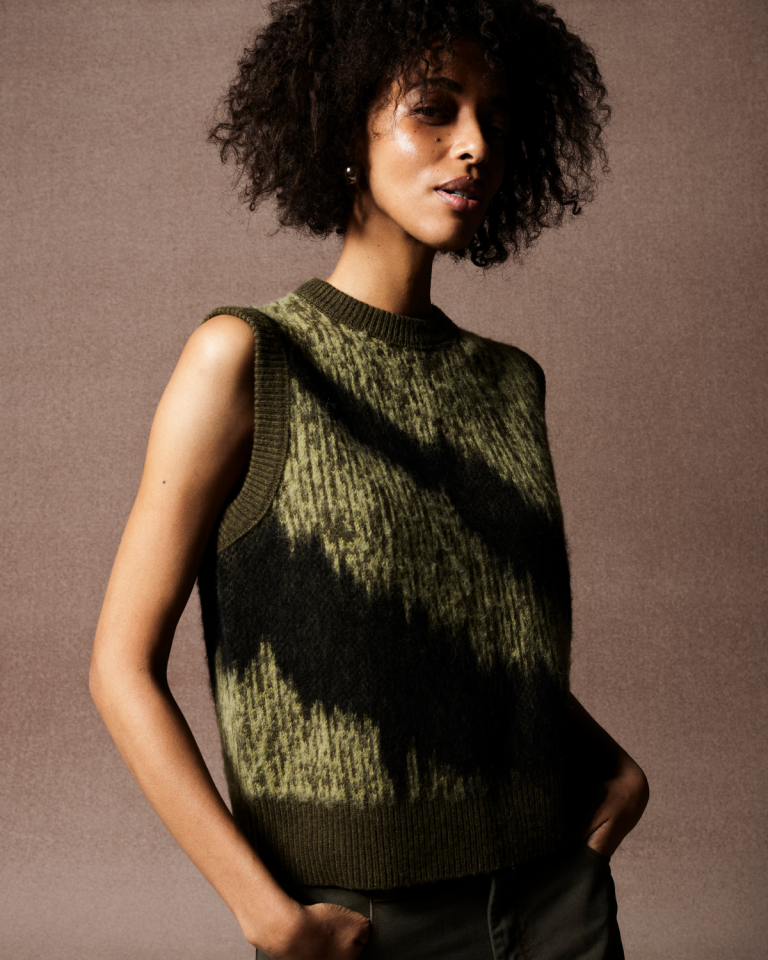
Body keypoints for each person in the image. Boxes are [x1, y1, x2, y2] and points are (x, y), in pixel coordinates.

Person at [89, 1, 650, 958]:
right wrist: (268, 915)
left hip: (557, 896)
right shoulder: (249, 359)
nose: (475, 145)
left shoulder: (510, 384)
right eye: (435, 108)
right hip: (367, 919)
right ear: (346, 127)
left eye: (496, 121)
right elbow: (119, 668)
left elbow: (461, 638)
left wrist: (612, 766)